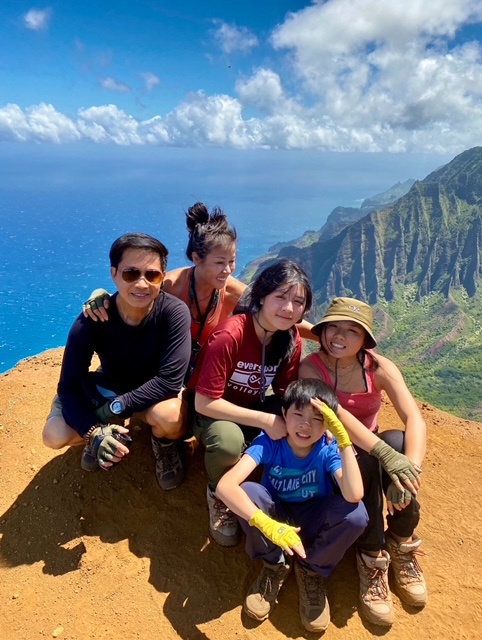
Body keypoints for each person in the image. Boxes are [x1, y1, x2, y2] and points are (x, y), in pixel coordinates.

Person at [299, 296, 427, 626]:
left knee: (397, 441)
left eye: (351, 331)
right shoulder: (312, 369)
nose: (339, 337)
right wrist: (387, 457)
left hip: (370, 449)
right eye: (333, 328)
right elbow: (336, 415)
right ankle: (372, 555)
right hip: (329, 455)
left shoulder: (379, 368)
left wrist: (410, 469)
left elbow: (413, 418)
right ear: (322, 331)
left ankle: (401, 541)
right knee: (370, 456)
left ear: (365, 339)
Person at [82, 203, 315, 380]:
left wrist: (324, 333)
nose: (228, 270)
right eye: (219, 262)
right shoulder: (171, 285)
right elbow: (132, 294)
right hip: (159, 367)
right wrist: (100, 294)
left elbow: (278, 313)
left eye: (232, 262)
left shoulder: (233, 291)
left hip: (201, 372)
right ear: (196, 258)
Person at [216, 378, 369, 632]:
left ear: (329, 425)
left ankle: (312, 570)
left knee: (356, 514)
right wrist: (267, 524)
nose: (305, 425)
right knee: (249, 493)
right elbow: (225, 486)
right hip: (277, 516)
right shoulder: (270, 441)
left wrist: (343, 440)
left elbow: (354, 494)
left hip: (313, 517)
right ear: (284, 413)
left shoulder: (328, 447)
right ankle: (275, 564)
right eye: (298, 413)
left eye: (318, 419)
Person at [42, 233, 191, 491]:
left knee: (171, 417)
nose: (142, 284)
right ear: (114, 274)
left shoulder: (173, 313)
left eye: (152, 275)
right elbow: (68, 386)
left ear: (163, 277)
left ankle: (163, 445)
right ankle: (101, 438)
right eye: (131, 274)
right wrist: (93, 431)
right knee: (54, 435)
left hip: (152, 396)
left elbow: (169, 382)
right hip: (108, 385)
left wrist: (112, 410)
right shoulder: (93, 318)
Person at [189, 258, 312, 547]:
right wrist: (266, 420)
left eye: (298, 301)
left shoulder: (290, 339)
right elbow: (204, 403)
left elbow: (286, 393)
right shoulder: (230, 335)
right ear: (260, 297)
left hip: (253, 407)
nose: (289, 308)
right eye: (280, 297)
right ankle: (218, 492)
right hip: (211, 413)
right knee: (228, 440)